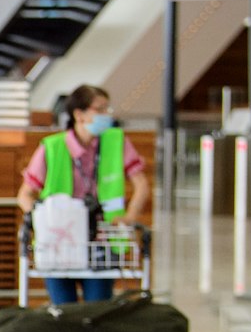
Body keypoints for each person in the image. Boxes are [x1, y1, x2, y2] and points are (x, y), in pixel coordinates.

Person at [17, 84, 151, 305]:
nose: (106, 115)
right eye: (100, 109)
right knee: (63, 310)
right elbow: (25, 195)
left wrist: (129, 218)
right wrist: (45, 219)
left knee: (96, 309)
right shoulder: (52, 147)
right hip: (59, 243)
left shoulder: (116, 141)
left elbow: (142, 185)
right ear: (79, 114)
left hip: (102, 239)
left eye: (108, 109)